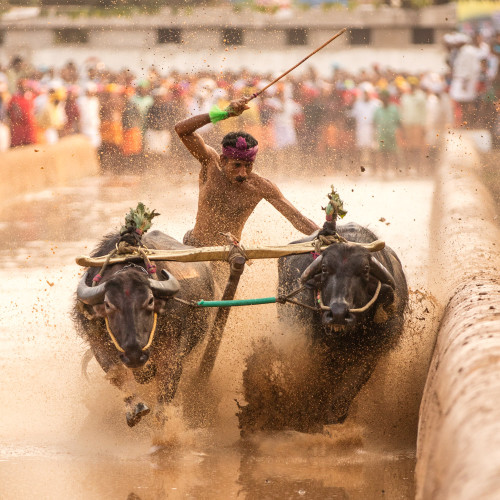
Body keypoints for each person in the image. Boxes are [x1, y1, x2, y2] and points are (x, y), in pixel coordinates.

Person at [174, 96, 320, 252]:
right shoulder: (211, 164)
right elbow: (181, 130)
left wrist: (326, 235)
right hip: (195, 247)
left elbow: (297, 218)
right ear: (223, 160)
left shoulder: (260, 186)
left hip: (229, 255)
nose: (242, 173)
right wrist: (224, 114)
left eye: (248, 166)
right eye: (236, 165)